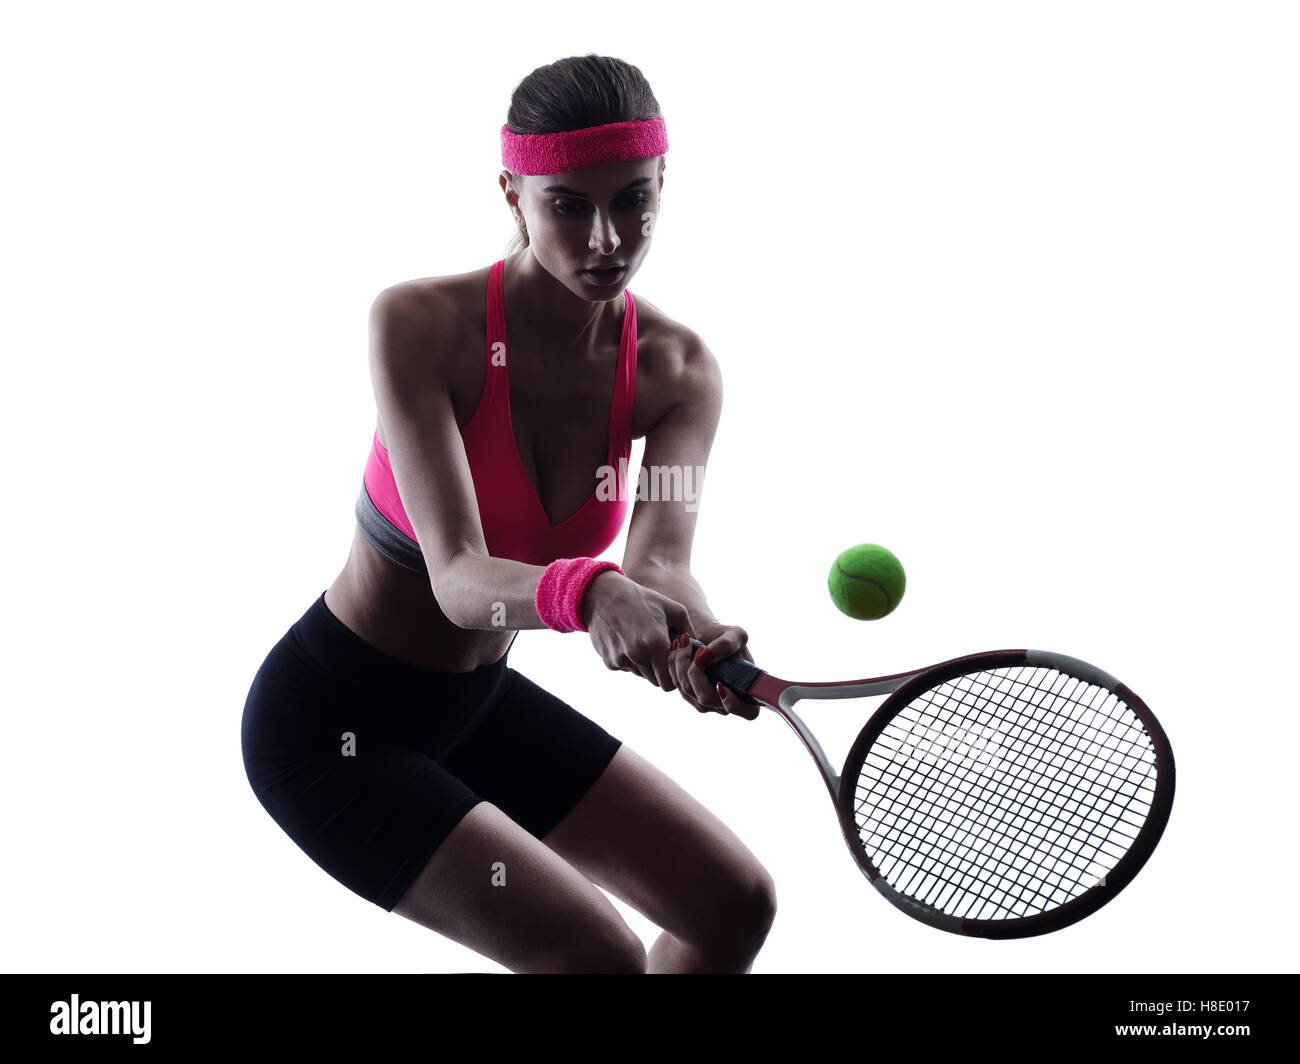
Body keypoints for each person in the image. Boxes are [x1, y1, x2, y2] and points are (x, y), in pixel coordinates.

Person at [240, 54, 777, 974]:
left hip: (473, 706)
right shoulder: (420, 325)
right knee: (595, 955)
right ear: (513, 193)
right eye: (568, 204)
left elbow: (661, 559)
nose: (608, 238)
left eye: (634, 199)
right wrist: (591, 594)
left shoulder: (678, 371)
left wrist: (694, 625)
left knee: (731, 903)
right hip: (333, 729)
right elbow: (458, 582)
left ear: (663, 184)